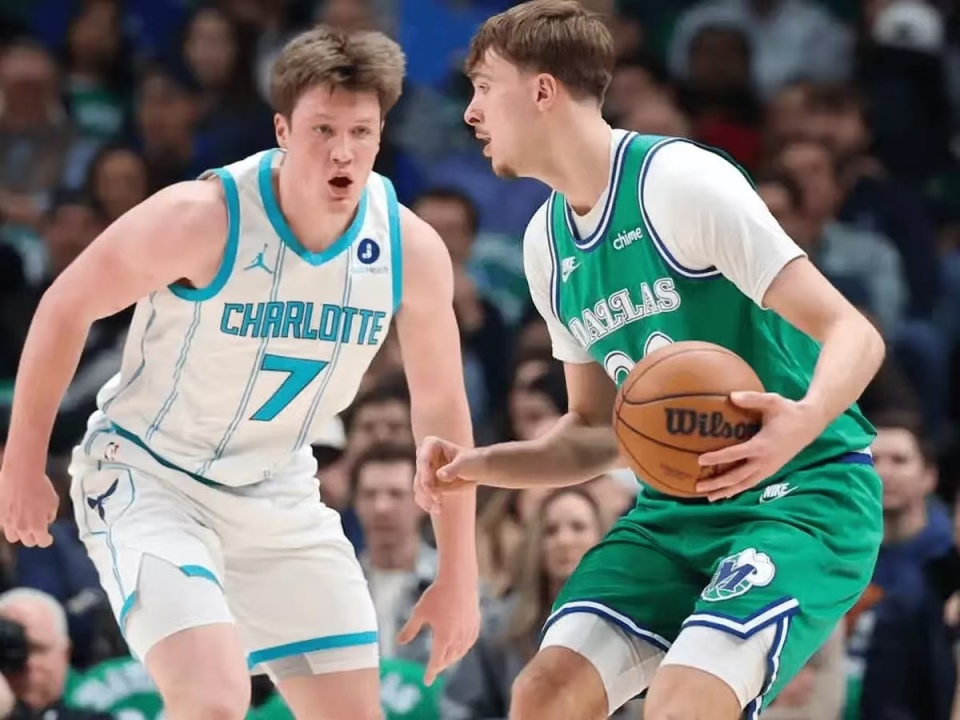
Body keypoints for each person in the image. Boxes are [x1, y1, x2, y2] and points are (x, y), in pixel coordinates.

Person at [416, 2, 885, 719]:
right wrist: (477, 466)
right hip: (674, 510)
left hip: (802, 494)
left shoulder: (679, 182)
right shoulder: (546, 245)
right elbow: (595, 433)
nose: (471, 112)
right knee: (542, 695)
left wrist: (802, 419)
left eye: (484, 87)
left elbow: (854, 331)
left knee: (684, 702)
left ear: (541, 91)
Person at [0, 25, 480, 720]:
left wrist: (459, 569)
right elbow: (64, 306)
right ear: (282, 130)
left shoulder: (410, 248)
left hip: (277, 488)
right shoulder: (201, 217)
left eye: (361, 132)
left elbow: (442, 413)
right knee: (213, 698)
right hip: (151, 476)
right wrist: (21, 461)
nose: (343, 152)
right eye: (322, 130)